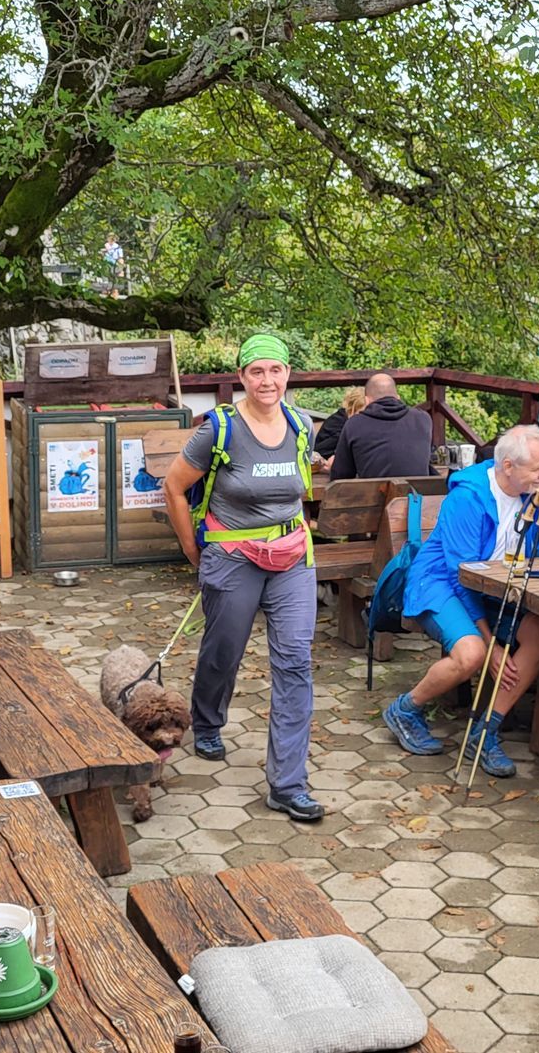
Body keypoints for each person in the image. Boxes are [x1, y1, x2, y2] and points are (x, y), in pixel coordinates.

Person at [160, 333, 324, 821]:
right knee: (224, 649)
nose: (267, 380)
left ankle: (288, 784)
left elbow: (298, 490)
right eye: (257, 371)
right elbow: (173, 487)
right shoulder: (219, 429)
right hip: (232, 556)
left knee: (295, 661)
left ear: (287, 374)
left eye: (275, 370)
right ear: (242, 377)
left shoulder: (302, 426)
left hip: (292, 557)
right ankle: (208, 721)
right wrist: (193, 550)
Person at [380, 425, 539, 778]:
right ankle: (406, 708)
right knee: (473, 654)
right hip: (441, 583)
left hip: (496, 589)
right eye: (537, 468)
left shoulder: (531, 492)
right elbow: (461, 575)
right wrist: (491, 643)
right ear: (508, 466)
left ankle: (485, 730)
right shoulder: (468, 498)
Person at [330, 373, 436, 481]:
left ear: (366, 400)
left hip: (374, 492)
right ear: (398, 398)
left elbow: (340, 476)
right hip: (417, 491)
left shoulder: (354, 424)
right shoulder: (423, 419)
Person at [314, 387, 367, 470]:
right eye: (362, 413)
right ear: (352, 408)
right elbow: (321, 450)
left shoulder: (344, 420)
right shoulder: (338, 423)